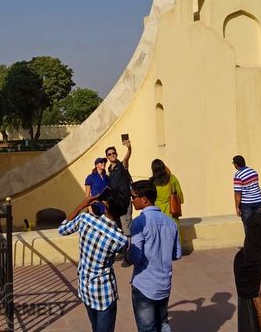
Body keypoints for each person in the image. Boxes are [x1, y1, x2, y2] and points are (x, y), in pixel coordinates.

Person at [58, 189, 129, 332]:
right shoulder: (120, 239)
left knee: (95, 327)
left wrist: (81, 205)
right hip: (104, 292)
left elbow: (62, 229)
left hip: (85, 287)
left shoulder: (86, 220)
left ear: (106, 205)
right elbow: (127, 253)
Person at [128, 179, 182, 332]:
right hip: (164, 283)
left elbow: (135, 257)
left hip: (144, 285)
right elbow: (177, 253)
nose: (132, 201)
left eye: (134, 197)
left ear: (144, 199)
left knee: (147, 328)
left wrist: (127, 255)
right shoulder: (170, 222)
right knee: (163, 323)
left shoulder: (138, 223)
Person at [106, 140, 133, 235]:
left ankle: (129, 248)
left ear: (116, 154)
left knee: (126, 227)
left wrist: (129, 148)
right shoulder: (109, 169)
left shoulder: (122, 165)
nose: (112, 155)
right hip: (115, 202)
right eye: (110, 154)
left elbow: (127, 157)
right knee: (117, 227)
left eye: (114, 153)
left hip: (124, 201)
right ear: (107, 157)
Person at [232, 155, 261, 233]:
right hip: (258, 201)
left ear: (236, 164)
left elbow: (238, 193)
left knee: (248, 226)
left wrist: (237, 207)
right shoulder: (253, 171)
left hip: (247, 204)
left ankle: (250, 245)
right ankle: (259, 243)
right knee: (257, 224)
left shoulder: (238, 175)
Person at [149, 159, 184, 225]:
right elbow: (180, 196)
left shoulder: (151, 182)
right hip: (172, 213)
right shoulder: (172, 178)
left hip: (157, 214)